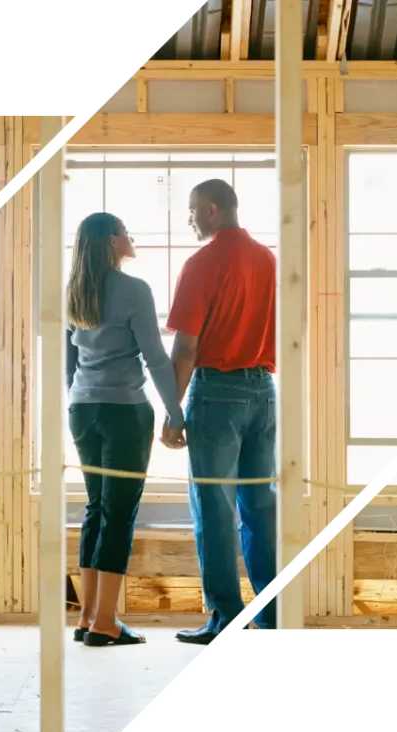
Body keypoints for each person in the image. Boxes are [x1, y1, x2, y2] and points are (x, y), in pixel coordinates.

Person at [161, 179, 278, 645]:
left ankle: (227, 619)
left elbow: (185, 347)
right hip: (263, 390)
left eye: (191, 211)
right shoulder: (268, 259)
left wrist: (172, 411)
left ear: (212, 210)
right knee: (259, 506)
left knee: (214, 509)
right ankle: (270, 614)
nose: (189, 219)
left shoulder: (202, 263)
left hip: (217, 392)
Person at [64, 211, 185, 647]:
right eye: (125, 232)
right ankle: (106, 624)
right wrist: (176, 411)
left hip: (82, 409)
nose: (131, 237)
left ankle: (87, 617)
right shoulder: (134, 290)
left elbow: (68, 364)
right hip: (124, 412)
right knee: (119, 515)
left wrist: (81, 396)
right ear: (113, 241)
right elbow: (154, 358)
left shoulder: (73, 292)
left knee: (97, 508)